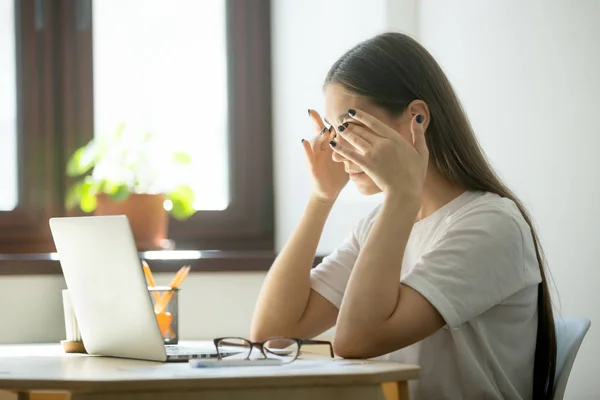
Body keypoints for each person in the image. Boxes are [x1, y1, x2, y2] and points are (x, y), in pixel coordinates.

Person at [251, 32, 556, 400]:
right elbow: (271, 334)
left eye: (350, 127)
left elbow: (356, 341)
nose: (336, 151)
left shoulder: (490, 224)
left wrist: (402, 194)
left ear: (417, 119)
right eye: (333, 133)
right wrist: (321, 196)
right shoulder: (380, 226)